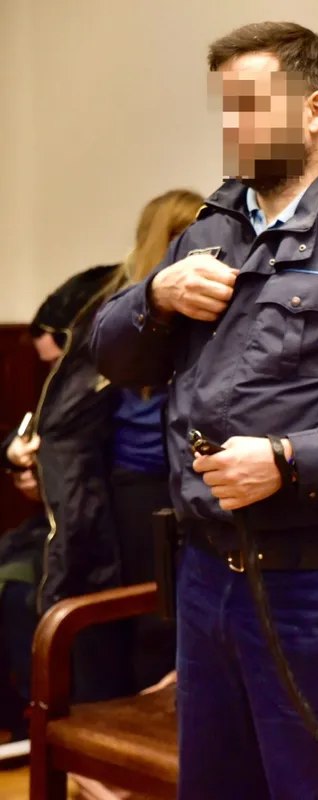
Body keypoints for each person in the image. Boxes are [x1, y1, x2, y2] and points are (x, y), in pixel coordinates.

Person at [91, 21, 318, 800]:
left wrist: (290, 461)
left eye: (249, 106)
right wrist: (154, 297)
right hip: (205, 573)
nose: (231, 126)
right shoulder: (208, 232)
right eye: (225, 107)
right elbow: (111, 357)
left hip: (315, 584)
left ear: (314, 110)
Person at [0, 264, 126, 741]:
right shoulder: (70, 385)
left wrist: (45, 474)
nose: (52, 373)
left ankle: (44, 731)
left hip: (101, 530)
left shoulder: (108, 376)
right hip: (61, 524)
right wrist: (16, 458)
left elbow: (78, 468)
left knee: (22, 594)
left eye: (55, 362)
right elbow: (40, 436)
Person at [101, 188, 206, 692]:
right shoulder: (125, 312)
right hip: (139, 482)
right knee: (151, 614)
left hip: (192, 479)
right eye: (183, 236)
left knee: (189, 611)